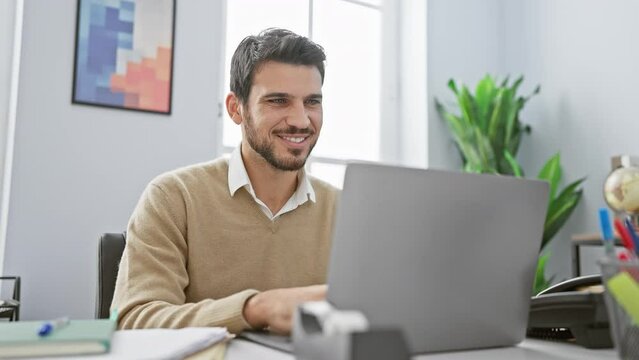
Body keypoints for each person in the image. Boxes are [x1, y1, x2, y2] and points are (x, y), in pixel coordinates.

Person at [111, 28, 338, 335]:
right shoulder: (173, 197)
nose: (300, 120)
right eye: (278, 101)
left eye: (312, 102)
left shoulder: (344, 209)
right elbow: (135, 321)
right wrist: (254, 309)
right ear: (236, 109)